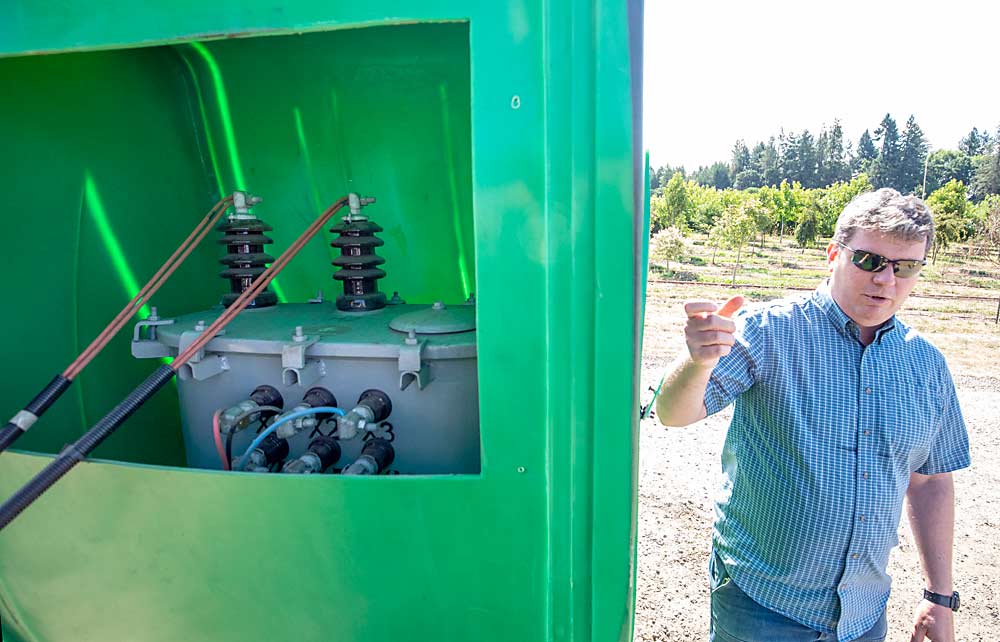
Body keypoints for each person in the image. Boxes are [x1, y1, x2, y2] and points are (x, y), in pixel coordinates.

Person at [655, 188, 970, 642]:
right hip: (761, 605)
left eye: (904, 267)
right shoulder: (768, 332)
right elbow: (672, 412)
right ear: (833, 254)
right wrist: (699, 362)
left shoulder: (926, 364)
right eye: (869, 260)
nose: (886, 280)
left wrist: (939, 597)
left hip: (863, 614)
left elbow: (932, 480)